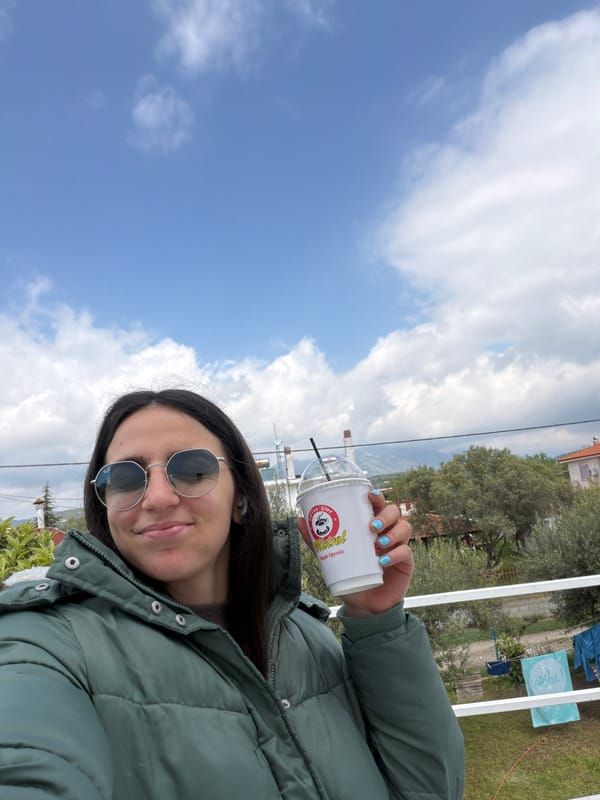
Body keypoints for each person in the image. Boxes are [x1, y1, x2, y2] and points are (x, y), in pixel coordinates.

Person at [0, 389, 464, 799]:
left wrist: (375, 618)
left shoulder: (308, 636)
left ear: (241, 498)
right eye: (125, 478)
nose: (157, 497)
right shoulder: (52, 642)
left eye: (192, 468)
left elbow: (430, 789)